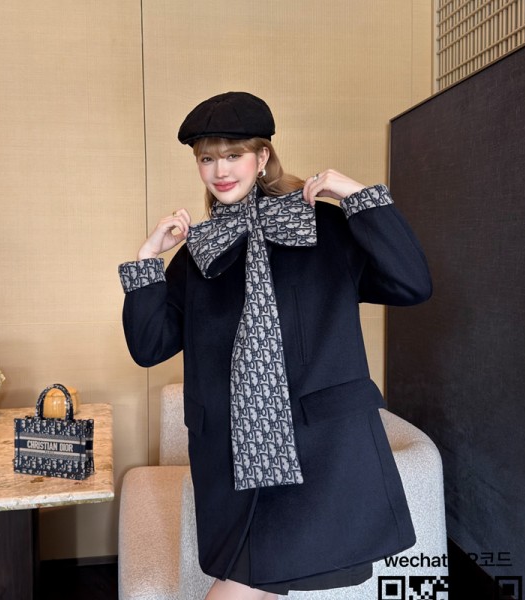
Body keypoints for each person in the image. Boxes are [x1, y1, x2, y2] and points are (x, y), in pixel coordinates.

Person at [119, 91, 432, 599]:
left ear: (262, 155)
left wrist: (358, 196)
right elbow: (149, 346)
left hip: (321, 450)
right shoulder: (200, 252)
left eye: (233, 154)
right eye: (207, 159)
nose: (220, 170)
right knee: (254, 582)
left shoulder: (323, 226)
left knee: (247, 584)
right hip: (231, 455)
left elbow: (411, 283)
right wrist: (147, 261)